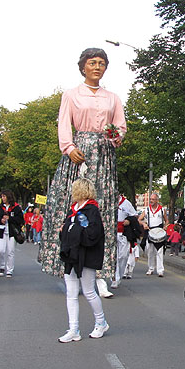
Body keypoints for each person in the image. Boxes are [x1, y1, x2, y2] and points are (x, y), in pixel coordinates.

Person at [40, 48, 125, 300]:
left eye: (101, 63)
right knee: (72, 209)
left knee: (102, 212)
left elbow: (120, 126)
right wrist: (69, 148)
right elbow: (64, 124)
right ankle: (71, 269)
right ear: (83, 67)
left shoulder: (113, 98)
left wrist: (115, 135)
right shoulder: (71, 94)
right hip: (79, 155)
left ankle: (100, 275)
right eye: (92, 63)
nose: (97, 67)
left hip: (104, 156)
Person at [57, 178, 108, 342]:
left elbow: (93, 234)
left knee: (89, 291)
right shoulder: (73, 210)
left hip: (86, 255)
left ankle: (101, 322)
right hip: (72, 254)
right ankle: (74, 329)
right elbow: (67, 229)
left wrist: (72, 231)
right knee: (71, 293)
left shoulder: (92, 210)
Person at [112, 194, 138, 289]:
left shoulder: (126, 203)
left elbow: (134, 215)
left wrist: (129, 221)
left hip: (123, 234)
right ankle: (115, 278)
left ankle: (119, 274)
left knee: (123, 256)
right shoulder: (109, 201)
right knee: (114, 256)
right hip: (112, 233)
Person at [0, 190, 23, 278]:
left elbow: (20, 220)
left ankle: (9, 269)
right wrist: (1, 220)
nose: (3, 198)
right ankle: (2, 266)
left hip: (12, 232)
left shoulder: (16, 207)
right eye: (2, 196)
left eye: (4, 196)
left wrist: (10, 218)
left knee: (10, 251)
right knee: (0, 250)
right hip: (1, 231)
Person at [139, 193, 168, 277]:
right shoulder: (147, 209)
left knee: (159, 251)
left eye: (153, 199)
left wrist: (165, 226)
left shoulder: (162, 209)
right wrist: (143, 224)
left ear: (157, 200)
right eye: (150, 199)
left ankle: (160, 270)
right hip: (150, 231)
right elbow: (139, 219)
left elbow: (166, 220)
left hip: (159, 232)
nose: (151, 201)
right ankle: (151, 268)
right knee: (150, 251)